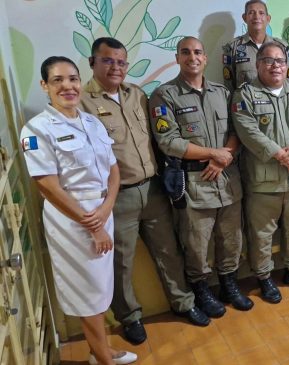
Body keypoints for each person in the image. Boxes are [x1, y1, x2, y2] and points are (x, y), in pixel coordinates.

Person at [79, 37, 209, 345]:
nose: (116, 67)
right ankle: (131, 317)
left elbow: (159, 139)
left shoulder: (137, 95)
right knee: (122, 262)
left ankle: (183, 302)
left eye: (121, 62)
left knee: (169, 251)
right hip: (117, 196)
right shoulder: (82, 105)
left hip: (152, 189)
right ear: (92, 62)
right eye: (108, 60)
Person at [20, 56, 136, 364]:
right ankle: (103, 357)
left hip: (101, 210)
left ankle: (100, 350)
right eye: (57, 80)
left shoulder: (90, 121)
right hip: (72, 222)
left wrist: (107, 207)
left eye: (72, 78)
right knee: (87, 290)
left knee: (99, 286)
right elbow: (47, 185)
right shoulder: (37, 129)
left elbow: (113, 171)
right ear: (45, 86)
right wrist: (93, 226)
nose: (68, 86)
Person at [149, 37, 253, 316]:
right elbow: (168, 141)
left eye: (197, 52)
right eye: (186, 52)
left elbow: (237, 130)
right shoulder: (165, 95)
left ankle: (229, 285)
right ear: (177, 58)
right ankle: (201, 290)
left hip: (228, 180)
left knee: (231, 240)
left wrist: (223, 157)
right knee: (196, 245)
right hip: (195, 186)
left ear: (205, 58)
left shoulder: (222, 92)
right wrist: (213, 153)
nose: (192, 57)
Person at [232, 42, 289, 302]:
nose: (275, 65)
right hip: (263, 180)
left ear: (287, 64)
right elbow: (247, 129)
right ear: (258, 64)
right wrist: (278, 152)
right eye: (269, 61)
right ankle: (264, 277)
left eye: (280, 60)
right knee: (261, 234)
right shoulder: (245, 94)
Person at [221, 0, 289, 93]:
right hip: (247, 104)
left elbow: (288, 81)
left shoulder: (281, 47)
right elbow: (229, 86)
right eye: (251, 13)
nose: (256, 16)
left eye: (261, 13)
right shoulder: (232, 48)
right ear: (244, 18)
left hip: (277, 104)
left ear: (268, 18)